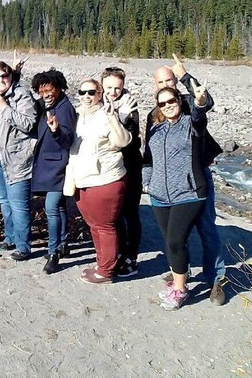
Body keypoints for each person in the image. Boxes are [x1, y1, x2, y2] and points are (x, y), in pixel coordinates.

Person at [148, 54, 226, 306]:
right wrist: (148, 180)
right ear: (155, 86)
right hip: (166, 185)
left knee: (207, 229)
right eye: (160, 83)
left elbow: (205, 103)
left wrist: (184, 75)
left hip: (196, 178)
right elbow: (149, 152)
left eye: (169, 80)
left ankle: (216, 279)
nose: (165, 86)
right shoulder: (155, 115)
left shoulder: (188, 104)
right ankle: (182, 271)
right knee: (175, 236)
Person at [143, 82, 211, 310]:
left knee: (175, 241)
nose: (168, 106)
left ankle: (180, 291)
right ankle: (178, 281)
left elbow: (200, 118)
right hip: (159, 195)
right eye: (162, 103)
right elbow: (148, 159)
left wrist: (200, 103)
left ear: (179, 101)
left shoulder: (191, 124)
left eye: (171, 101)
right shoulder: (156, 129)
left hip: (189, 193)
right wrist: (147, 183)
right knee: (170, 242)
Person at [68, 78, 133, 284]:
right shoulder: (77, 114)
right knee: (93, 225)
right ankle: (102, 264)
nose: (87, 96)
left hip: (105, 178)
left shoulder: (106, 114)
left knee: (105, 226)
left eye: (92, 92)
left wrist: (113, 117)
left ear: (99, 94)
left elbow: (123, 141)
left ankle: (106, 272)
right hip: (82, 179)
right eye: (82, 92)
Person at [0, 62, 38, 261]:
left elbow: (29, 123)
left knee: (19, 205)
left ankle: (24, 247)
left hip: (17, 160)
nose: (0, 80)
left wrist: (4, 107)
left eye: (4, 76)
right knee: (4, 202)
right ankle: (11, 238)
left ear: (11, 77)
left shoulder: (22, 95)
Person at [31, 69, 77, 274]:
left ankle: (53, 253)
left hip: (58, 167)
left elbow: (68, 140)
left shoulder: (65, 108)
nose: (45, 95)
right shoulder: (49, 105)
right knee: (59, 208)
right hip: (49, 165)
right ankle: (63, 244)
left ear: (58, 88)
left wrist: (56, 131)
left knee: (51, 208)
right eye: (41, 91)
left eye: (49, 90)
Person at [101, 66, 142, 278]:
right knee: (113, 212)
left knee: (130, 212)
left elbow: (131, 141)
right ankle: (115, 252)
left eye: (117, 87)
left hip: (129, 166)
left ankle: (130, 257)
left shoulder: (129, 106)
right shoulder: (98, 102)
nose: (113, 92)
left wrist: (122, 118)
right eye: (109, 87)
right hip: (107, 167)